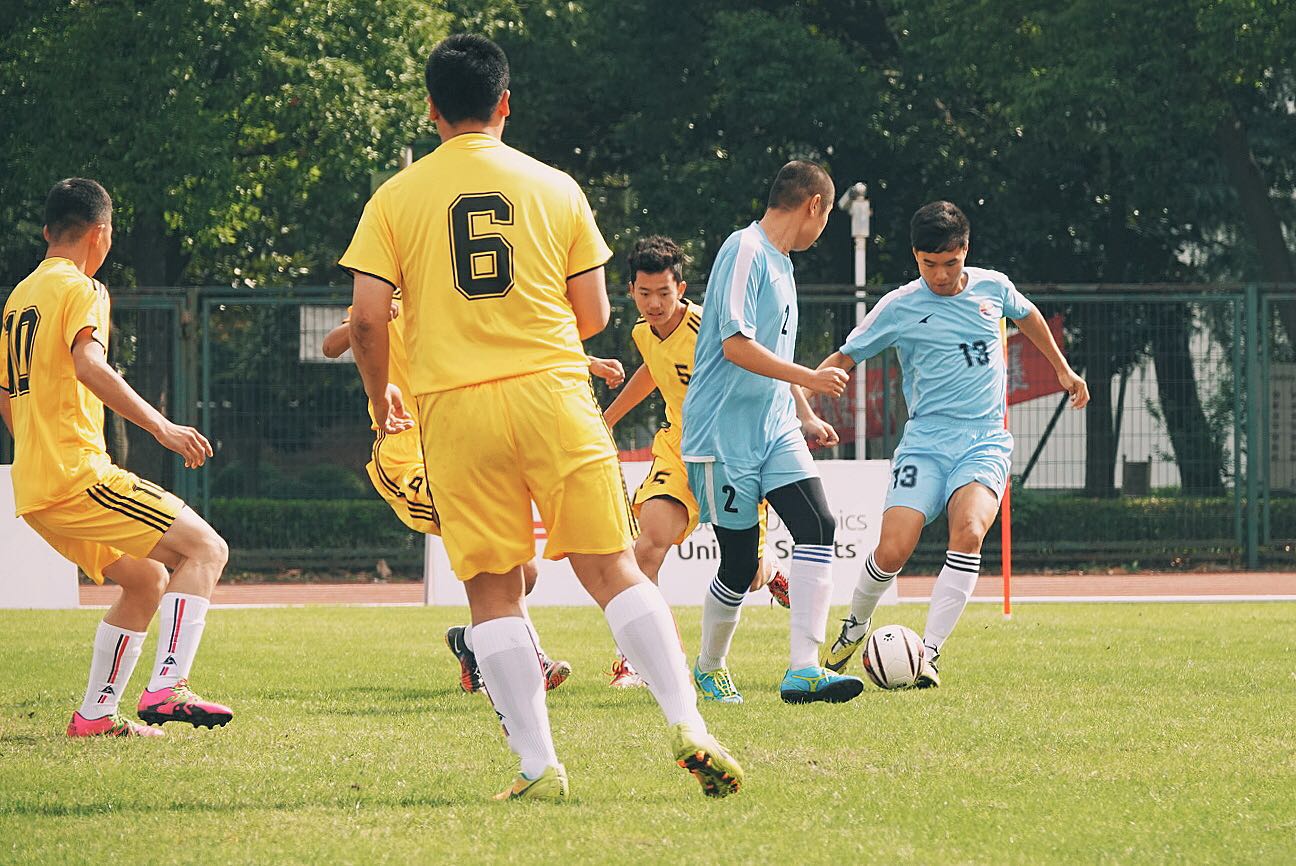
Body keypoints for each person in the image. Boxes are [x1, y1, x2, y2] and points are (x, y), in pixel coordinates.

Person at [339, 34, 742, 801]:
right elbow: (593, 315)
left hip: (454, 408)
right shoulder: (556, 186)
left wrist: (382, 390)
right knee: (613, 569)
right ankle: (688, 723)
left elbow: (364, 321)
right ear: (505, 103)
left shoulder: (394, 197)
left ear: (430, 111)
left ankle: (537, 765)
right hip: (554, 392)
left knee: (493, 590)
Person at [816, 201, 1089, 686]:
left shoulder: (993, 288)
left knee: (969, 531)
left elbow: (1028, 314)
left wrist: (1063, 370)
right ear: (915, 257)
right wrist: (803, 399)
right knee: (893, 550)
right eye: (929, 264)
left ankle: (929, 654)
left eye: (950, 262)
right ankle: (855, 624)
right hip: (924, 443)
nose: (940, 275)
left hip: (984, 442)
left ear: (966, 250)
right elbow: (844, 357)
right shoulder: (900, 306)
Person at [0, 178, 232, 737]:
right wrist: (162, 426)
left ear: (47, 231)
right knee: (206, 548)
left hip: (36, 488)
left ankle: (95, 716)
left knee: (148, 579)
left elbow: (7, 394)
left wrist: (37, 449)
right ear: (100, 235)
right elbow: (90, 364)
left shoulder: (19, 299)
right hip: (78, 476)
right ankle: (168, 686)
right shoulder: (83, 288)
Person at [320, 303, 627, 693]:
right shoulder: (381, 299)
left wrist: (588, 361)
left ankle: (471, 642)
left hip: (459, 447)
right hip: (406, 456)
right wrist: (374, 317)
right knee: (503, 564)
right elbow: (331, 345)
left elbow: (510, 345)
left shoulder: (446, 295)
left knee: (525, 573)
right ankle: (532, 660)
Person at [681, 161, 864, 705]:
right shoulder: (744, 250)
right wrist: (810, 377)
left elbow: (772, 354)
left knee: (818, 524)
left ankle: (804, 669)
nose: (823, 228)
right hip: (722, 436)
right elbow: (735, 345)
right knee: (740, 563)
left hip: (776, 427)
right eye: (826, 217)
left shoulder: (784, 264)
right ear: (815, 205)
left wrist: (803, 411)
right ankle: (709, 667)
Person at [603, 235, 788, 689]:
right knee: (647, 548)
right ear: (631, 291)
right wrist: (607, 419)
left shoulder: (711, 327)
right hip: (679, 450)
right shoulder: (642, 332)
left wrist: (800, 414)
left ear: (680, 289)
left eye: (664, 293)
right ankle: (638, 661)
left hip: (730, 455)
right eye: (645, 293)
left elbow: (766, 364)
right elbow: (654, 370)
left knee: (749, 577)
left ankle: (771, 572)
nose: (654, 303)